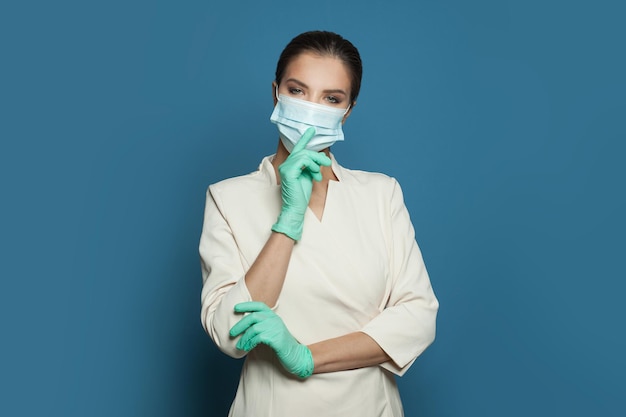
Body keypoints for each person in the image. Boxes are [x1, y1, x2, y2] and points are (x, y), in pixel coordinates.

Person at [200, 30, 438, 417]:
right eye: (298, 90)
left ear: (348, 110)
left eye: (331, 98)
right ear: (276, 92)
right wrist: (288, 221)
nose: (312, 108)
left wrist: (306, 356)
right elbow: (231, 332)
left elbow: (418, 317)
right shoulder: (228, 198)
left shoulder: (381, 194)